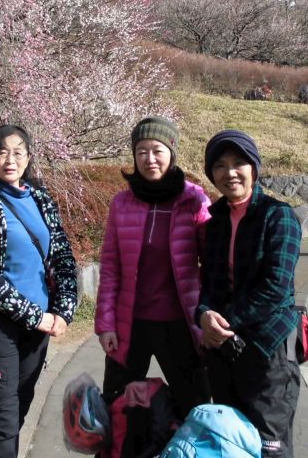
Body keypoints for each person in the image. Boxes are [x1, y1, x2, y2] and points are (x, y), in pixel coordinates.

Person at [0, 125, 78, 458]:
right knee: (1, 419)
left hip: (37, 329)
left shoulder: (41, 200)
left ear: (28, 157)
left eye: (18, 152)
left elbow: (63, 257)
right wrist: (34, 315)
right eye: (2, 152)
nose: (10, 159)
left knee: (18, 411)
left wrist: (63, 311)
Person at [95, 117, 211, 419]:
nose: (149, 159)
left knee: (194, 408)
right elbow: (110, 267)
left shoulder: (193, 199)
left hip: (180, 326)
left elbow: (212, 262)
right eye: (141, 151)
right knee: (117, 408)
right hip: (130, 324)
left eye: (157, 150)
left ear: (172, 152)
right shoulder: (122, 202)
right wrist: (105, 323)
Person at [196, 130, 302, 458]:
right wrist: (202, 315)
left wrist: (221, 322)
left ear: (253, 168)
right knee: (230, 443)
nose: (230, 173)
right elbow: (209, 283)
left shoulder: (278, 216)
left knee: (269, 445)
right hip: (225, 353)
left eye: (239, 163)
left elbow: (275, 287)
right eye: (220, 166)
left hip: (268, 350)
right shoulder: (213, 223)